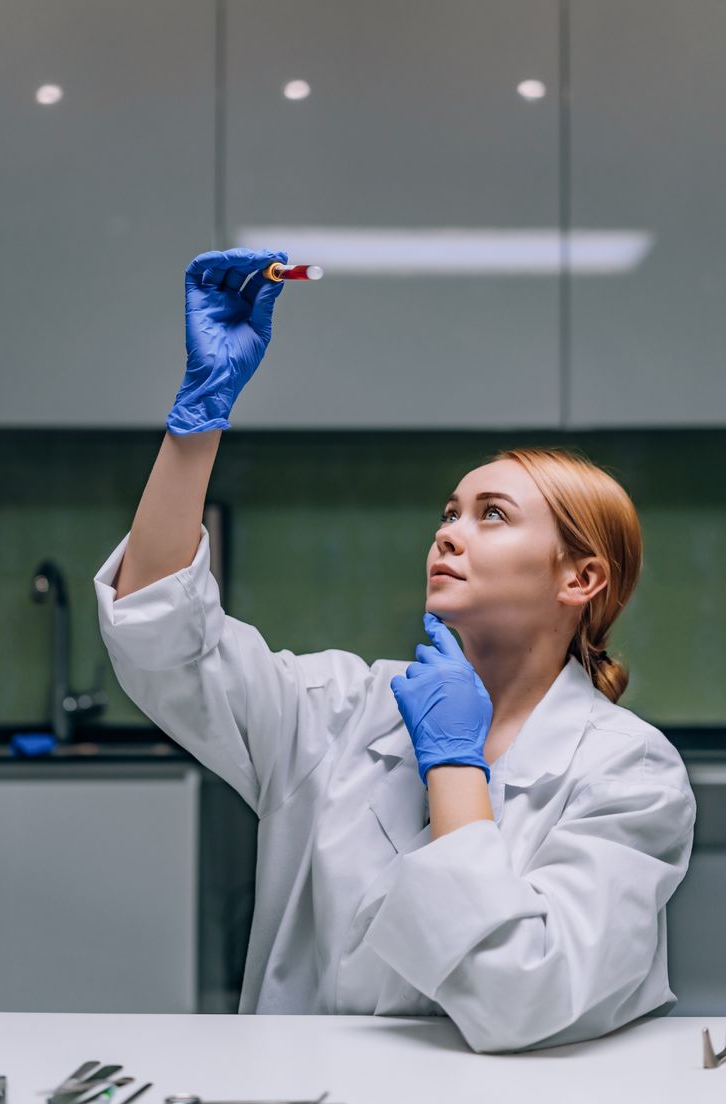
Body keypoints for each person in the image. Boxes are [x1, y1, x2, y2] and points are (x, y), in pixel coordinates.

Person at [93, 247, 696, 1054]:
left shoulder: (629, 774)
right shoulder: (339, 712)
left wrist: (452, 765)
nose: (448, 530)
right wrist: (196, 421)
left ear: (581, 577)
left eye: (491, 515)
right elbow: (160, 633)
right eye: (450, 511)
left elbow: (521, 996)